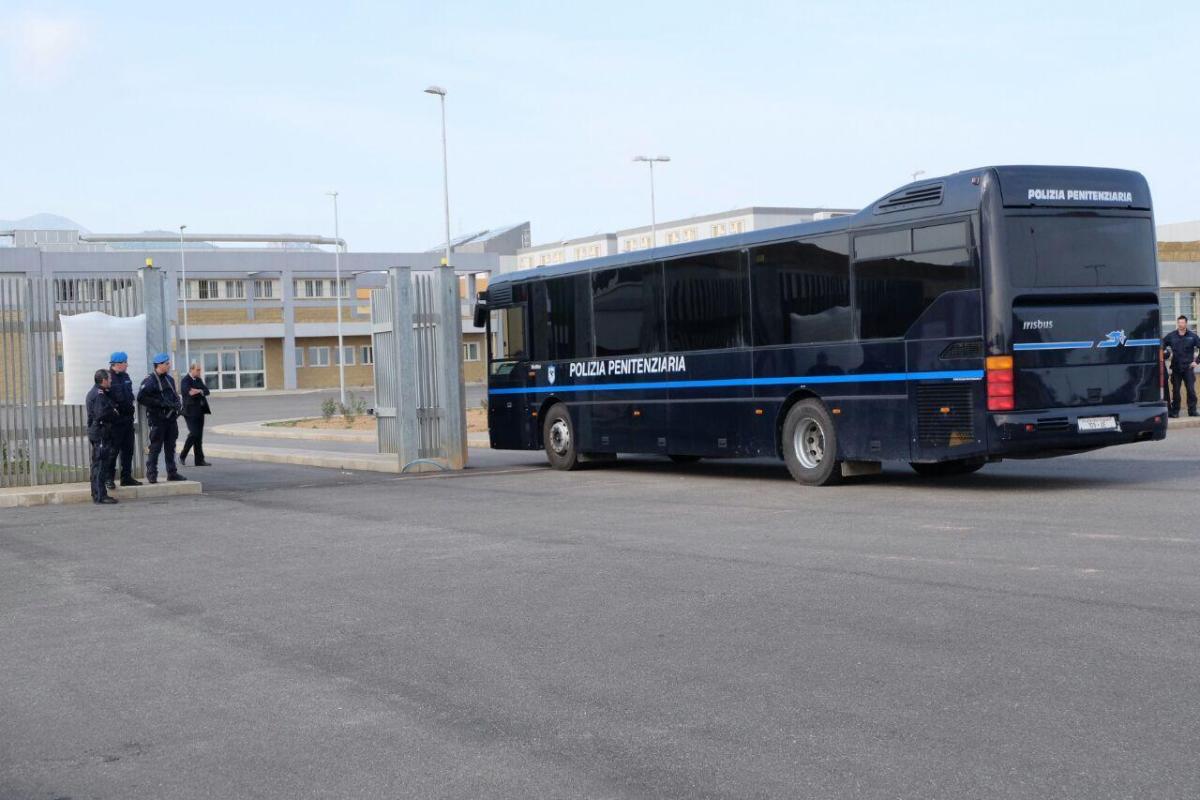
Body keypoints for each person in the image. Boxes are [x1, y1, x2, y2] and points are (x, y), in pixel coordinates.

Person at [137, 353, 186, 483]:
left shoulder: (169, 379)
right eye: (166, 363)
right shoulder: (150, 380)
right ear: (159, 365)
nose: (169, 365)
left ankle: (172, 472)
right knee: (156, 447)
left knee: (171, 446)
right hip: (157, 418)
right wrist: (159, 403)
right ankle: (152, 474)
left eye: (168, 363)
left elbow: (173, 395)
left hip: (170, 419)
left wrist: (177, 405)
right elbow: (141, 398)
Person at [106, 351, 141, 489]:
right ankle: (109, 478)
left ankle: (126, 477)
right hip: (115, 422)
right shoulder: (108, 377)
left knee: (128, 450)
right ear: (118, 364)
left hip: (128, 419)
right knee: (113, 451)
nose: (127, 365)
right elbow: (107, 399)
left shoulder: (126, 376)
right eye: (125, 362)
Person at [85, 369, 119, 504]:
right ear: (103, 380)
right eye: (109, 379)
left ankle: (97, 493)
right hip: (100, 433)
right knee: (100, 465)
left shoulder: (99, 393)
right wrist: (114, 412)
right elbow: (101, 414)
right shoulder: (98, 395)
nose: (111, 381)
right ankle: (100, 495)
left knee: (98, 464)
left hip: (99, 432)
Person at [1162, 315, 1200, 418]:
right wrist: (1165, 353)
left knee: (1191, 390)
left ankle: (1192, 411)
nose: (1180, 324)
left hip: (1188, 368)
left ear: (1186, 323)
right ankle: (1175, 412)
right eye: (1179, 322)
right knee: (1176, 391)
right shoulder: (1171, 336)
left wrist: (1197, 362)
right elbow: (1161, 344)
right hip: (1176, 368)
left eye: (1182, 323)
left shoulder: (1192, 336)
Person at [179, 361, 212, 466]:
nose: (199, 372)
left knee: (199, 436)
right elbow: (189, 392)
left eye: (200, 370)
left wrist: (199, 390)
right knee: (194, 433)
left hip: (200, 411)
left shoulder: (198, 379)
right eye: (197, 370)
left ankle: (199, 460)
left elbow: (206, 391)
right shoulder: (185, 380)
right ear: (191, 370)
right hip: (189, 412)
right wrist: (199, 391)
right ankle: (182, 455)